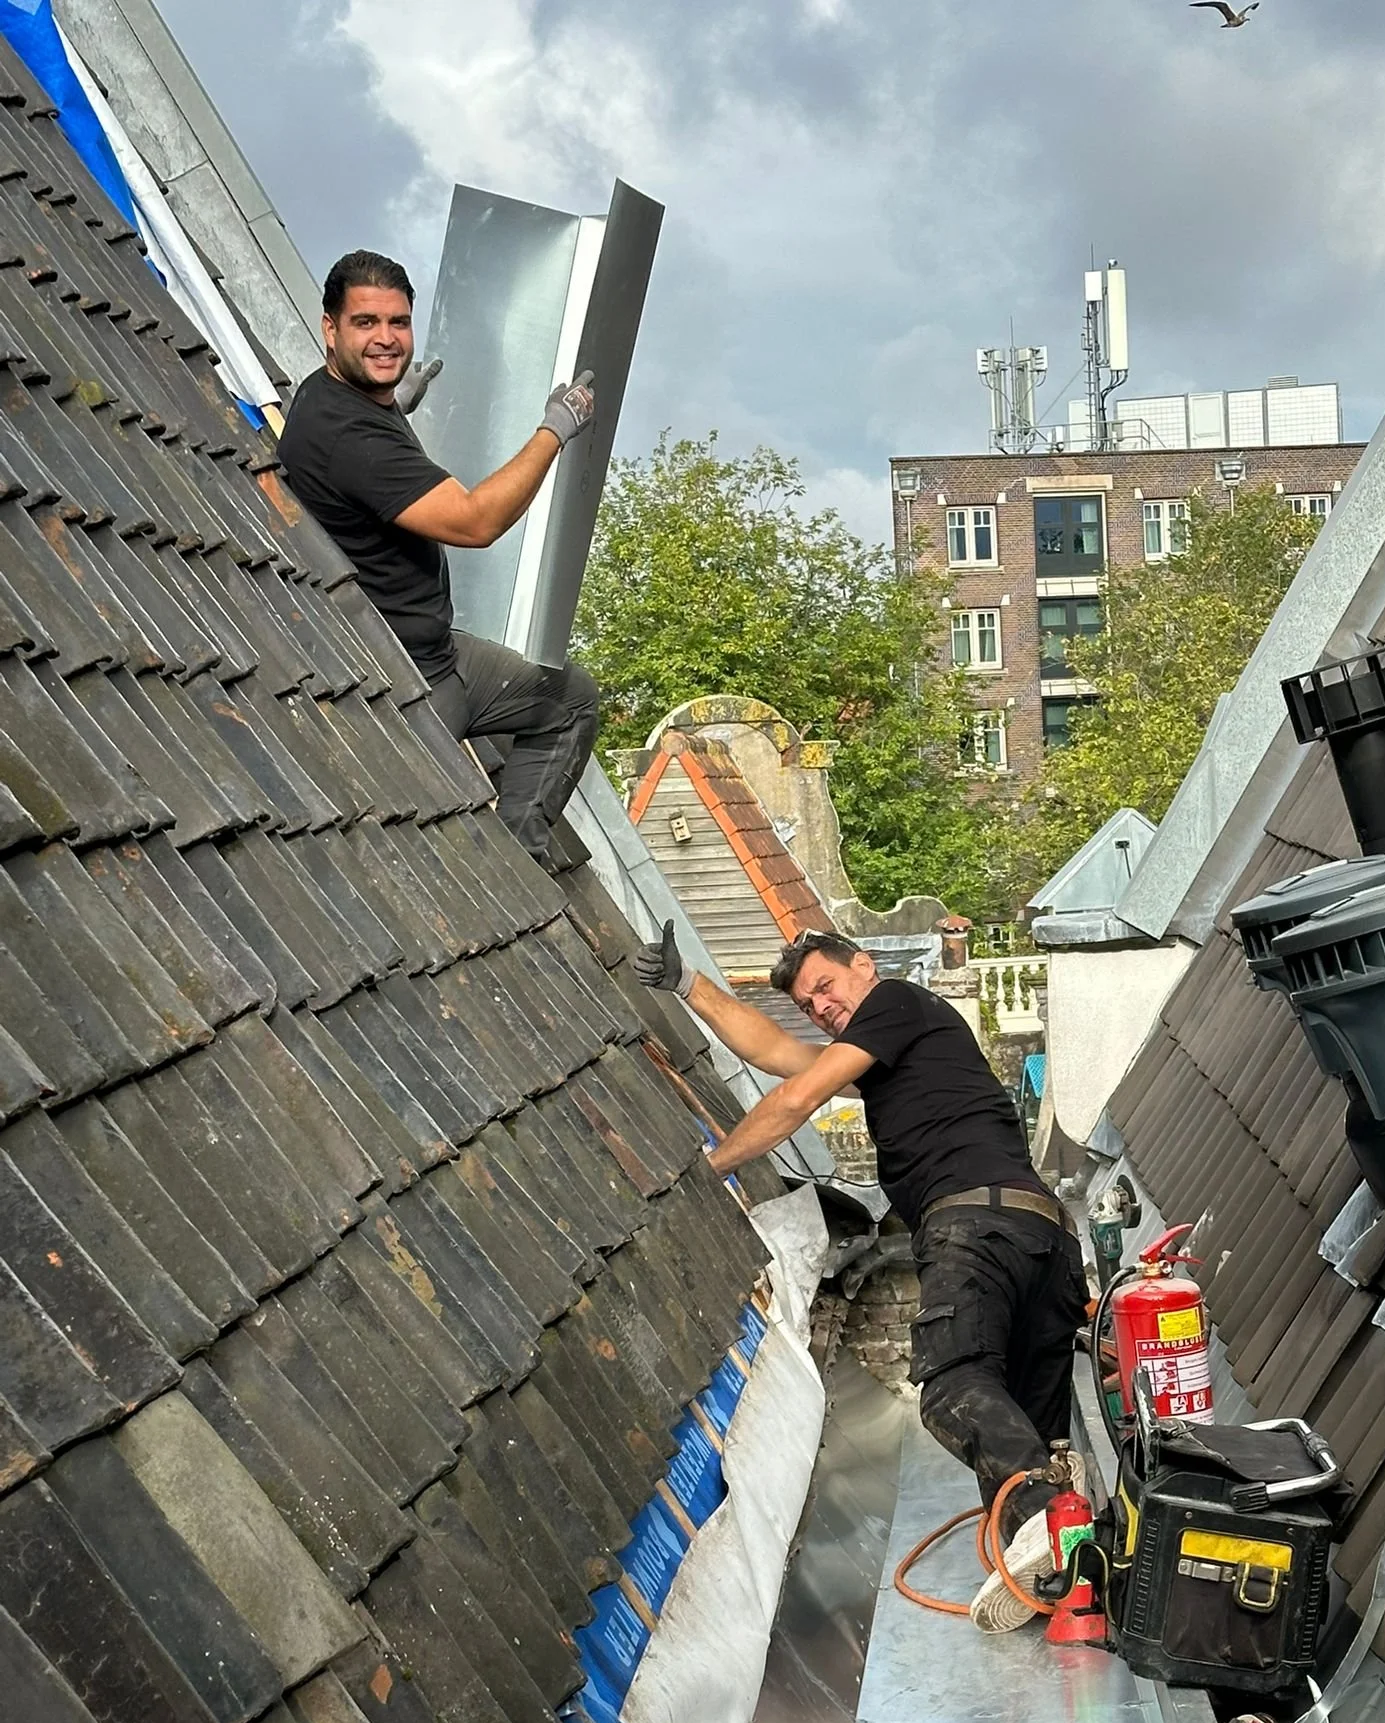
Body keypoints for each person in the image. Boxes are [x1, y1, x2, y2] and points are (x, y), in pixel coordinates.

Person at [635, 922, 1087, 1631]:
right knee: (1029, 1434)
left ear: (864, 967)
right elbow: (778, 1053)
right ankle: (1062, 1576)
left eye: (827, 986)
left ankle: (1044, 1521)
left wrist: (706, 1172)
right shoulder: (892, 1050)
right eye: (810, 1005)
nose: (821, 1007)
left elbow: (797, 1097)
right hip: (1046, 1238)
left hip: (976, 1226)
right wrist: (687, 983)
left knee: (953, 1389)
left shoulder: (899, 1001)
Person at [280, 248, 600, 866]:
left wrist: (398, 406)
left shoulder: (334, 399)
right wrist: (554, 431)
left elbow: (363, 461)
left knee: (571, 694)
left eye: (397, 323)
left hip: (430, 649)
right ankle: (515, 875)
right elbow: (476, 522)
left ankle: (517, 858)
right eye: (365, 323)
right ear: (330, 327)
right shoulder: (349, 434)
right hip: (408, 683)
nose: (386, 339)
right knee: (567, 709)